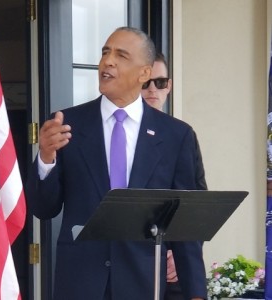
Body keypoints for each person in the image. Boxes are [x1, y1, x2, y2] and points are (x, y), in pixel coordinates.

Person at [26, 27, 207, 300]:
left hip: (143, 283)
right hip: (79, 283)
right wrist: (46, 158)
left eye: (121, 55)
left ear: (144, 73)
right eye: (105, 53)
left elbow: (186, 224)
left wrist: (196, 293)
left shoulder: (176, 135)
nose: (108, 61)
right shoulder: (67, 125)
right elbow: (44, 208)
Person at [141, 52, 208, 300]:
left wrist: (175, 254)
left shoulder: (181, 136)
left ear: (168, 86)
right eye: (145, 82)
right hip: (126, 261)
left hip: (171, 267)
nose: (152, 89)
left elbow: (196, 205)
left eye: (159, 82)